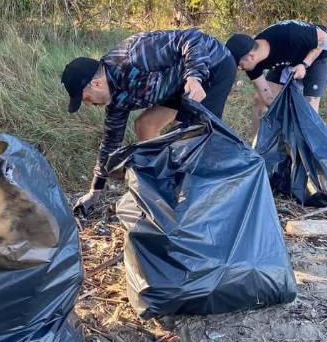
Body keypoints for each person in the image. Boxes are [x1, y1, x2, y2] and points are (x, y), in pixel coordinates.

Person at [64, 29, 236, 216]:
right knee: (145, 125)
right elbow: (109, 144)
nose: (89, 104)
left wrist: (194, 77)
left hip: (211, 67)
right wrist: (94, 192)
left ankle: (202, 203)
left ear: (96, 84)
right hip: (174, 82)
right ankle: (159, 189)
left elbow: (192, 38)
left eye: (86, 99)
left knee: (190, 136)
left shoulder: (134, 55)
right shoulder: (116, 101)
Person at [225, 20, 327, 135]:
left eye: (240, 65)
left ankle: (308, 148)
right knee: (259, 101)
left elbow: (323, 37)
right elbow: (266, 96)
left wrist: (304, 64)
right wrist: (281, 116)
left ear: (251, 57)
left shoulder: (289, 34)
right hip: (288, 57)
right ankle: (256, 146)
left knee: (310, 108)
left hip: (316, 50)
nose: (240, 69)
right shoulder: (251, 65)